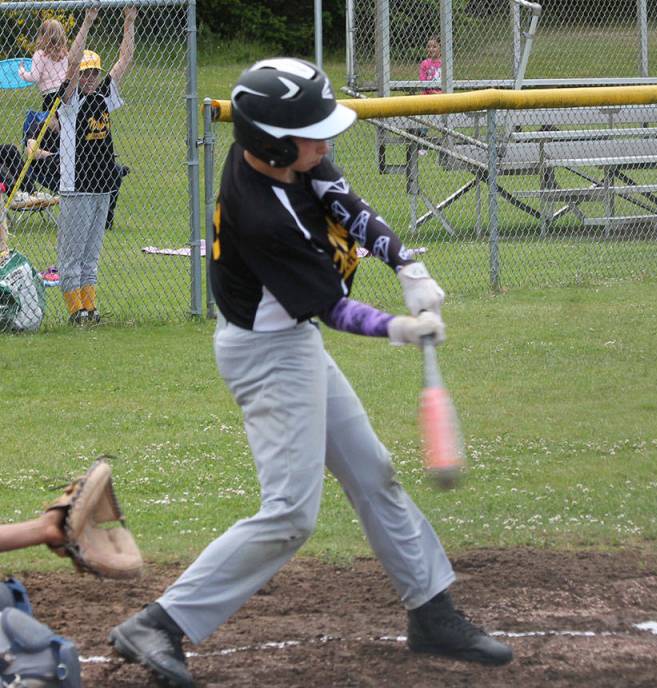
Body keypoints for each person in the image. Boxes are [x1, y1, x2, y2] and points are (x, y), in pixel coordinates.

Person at [107, 58, 513, 688]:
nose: (325, 144)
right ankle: (158, 623)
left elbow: (344, 202)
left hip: (291, 342)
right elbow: (330, 305)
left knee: (372, 471)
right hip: (267, 356)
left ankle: (431, 610)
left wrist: (406, 264)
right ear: (271, 141)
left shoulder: (287, 155)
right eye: (312, 134)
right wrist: (399, 328)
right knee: (291, 512)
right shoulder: (263, 212)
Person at [54, 5, 136, 326]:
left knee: (91, 254)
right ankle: (75, 312)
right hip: (77, 186)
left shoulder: (104, 93)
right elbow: (72, 63)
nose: (89, 78)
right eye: (85, 73)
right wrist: (88, 20)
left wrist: (128, 22)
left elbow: (125, 60)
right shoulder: (71, 100)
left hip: (103, 184)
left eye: (93, 73)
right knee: (71, 256)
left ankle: (90, 310)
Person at [18, 18, 69, 104]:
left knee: (50, 117)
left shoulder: (40, 55)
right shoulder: (65, 54)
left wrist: (22, 71)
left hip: (50, 96)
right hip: (66, 92)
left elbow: (34, 77)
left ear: (42, 36)